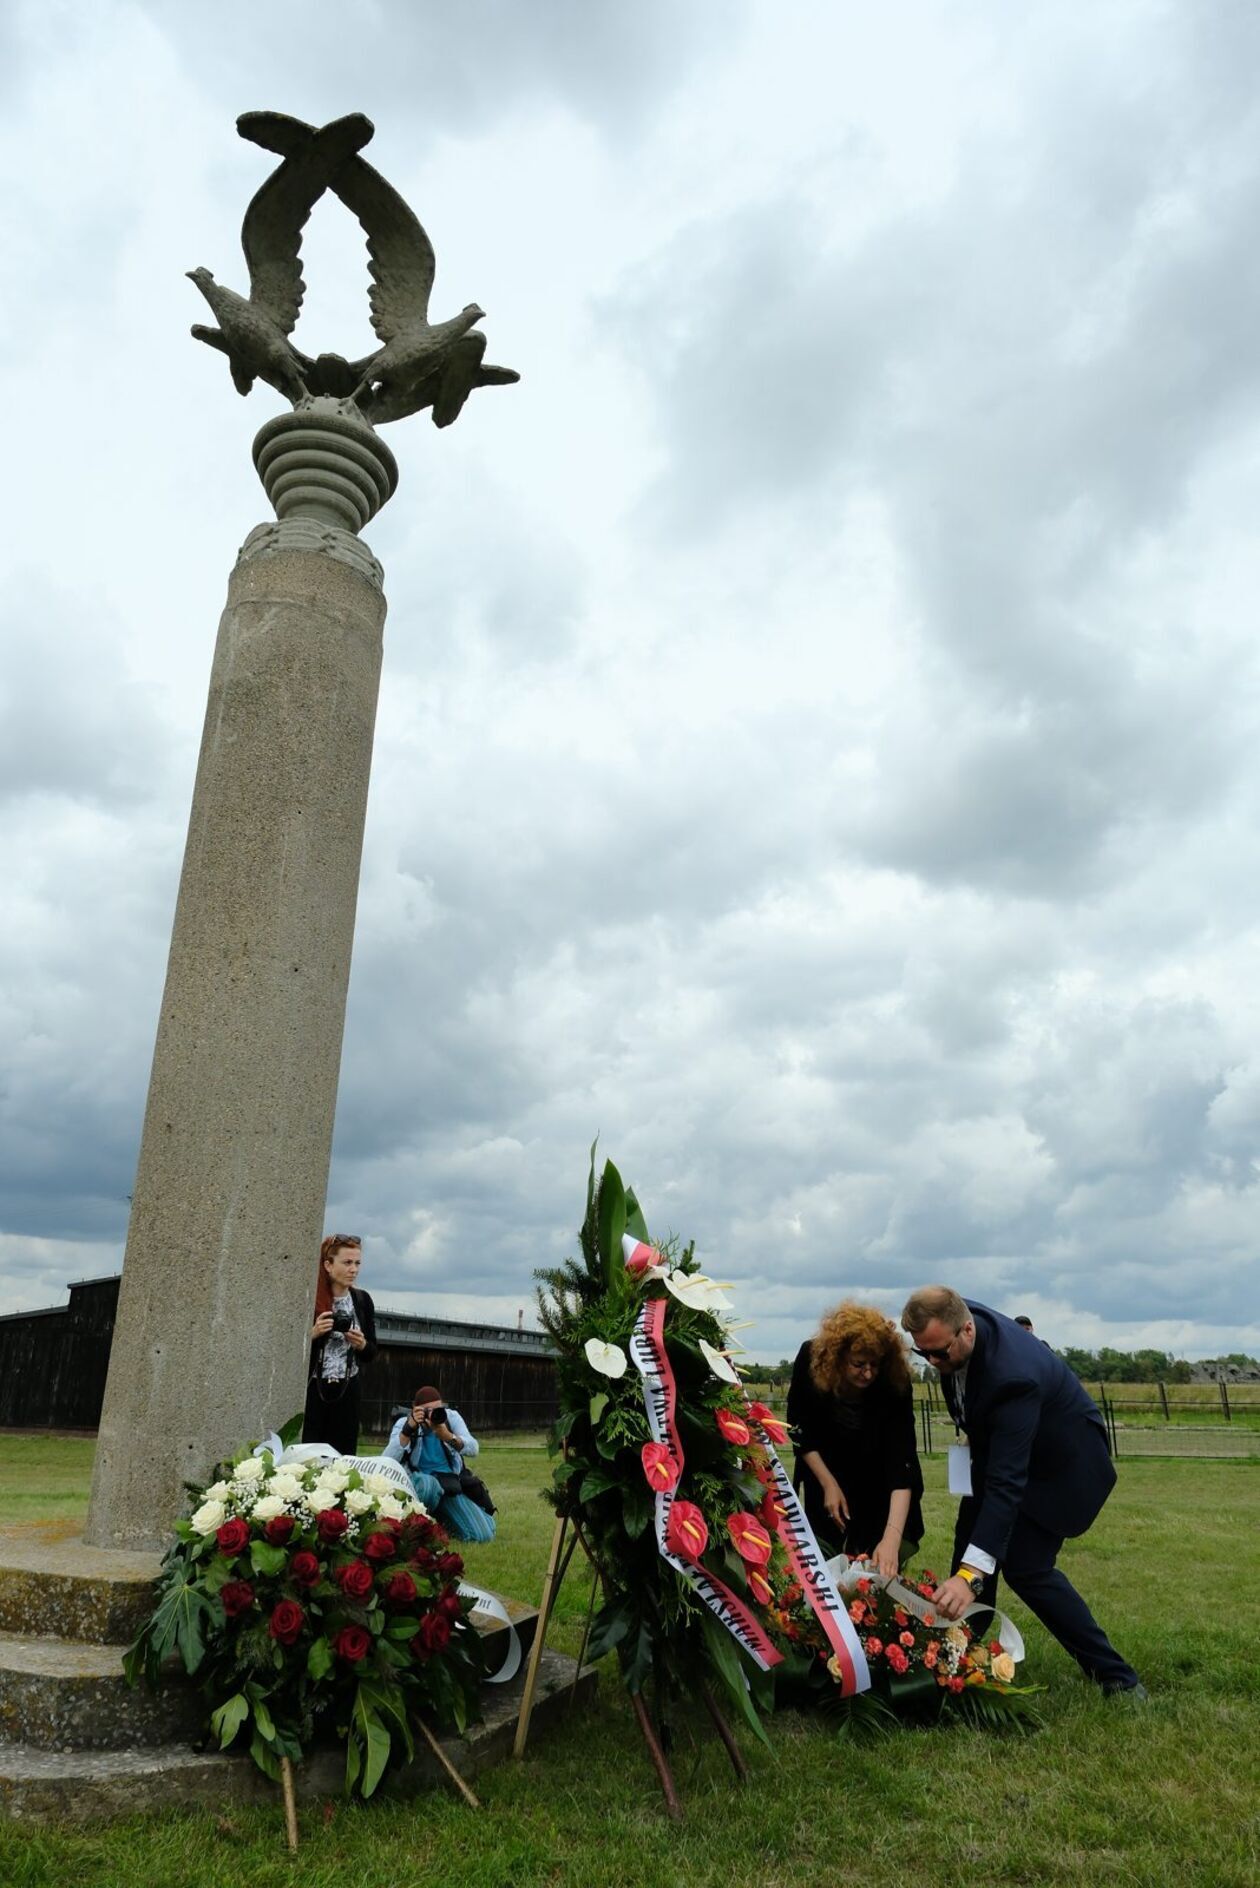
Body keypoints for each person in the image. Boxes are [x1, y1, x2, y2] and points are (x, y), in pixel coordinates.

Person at [900, 1286, 1145, 1698]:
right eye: (923, 1355)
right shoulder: (951, 1325)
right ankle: (959, 1658)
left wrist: (970, 1575)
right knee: (970, 1546)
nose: (933, 1363)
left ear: (967, 1331)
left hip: (1060, 1470)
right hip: (1001, 1455)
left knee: (1026, 1567)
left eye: (939, 1353)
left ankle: (1117, 1678)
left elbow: (1007, 1484)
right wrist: (969, 1571)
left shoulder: (1012, 1377)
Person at [786, 1301, 923, 1577]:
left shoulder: (893, 1379)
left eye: (875, 1364)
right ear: (837, 1357)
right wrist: (828, 1484)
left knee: (878, 1574)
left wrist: (891, 1539)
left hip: (879, 1485)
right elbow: (800, 1430)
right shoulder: (810, 1360)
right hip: (824, 1474)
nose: (868, 1373)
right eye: (858, 1364)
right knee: (825, 1572)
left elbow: (902, 1462)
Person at [383, 1384, 496, 1543]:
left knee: (482, 1536)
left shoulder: (450, 1417)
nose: (433, 1415)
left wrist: (448, 1436)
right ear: (416, 1410)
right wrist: (407, 1431)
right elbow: (387, 1459)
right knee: (430, 1486)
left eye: (437, 1409)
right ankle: (413, 1531)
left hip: (448, 1485)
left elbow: (474, 1448)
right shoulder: (405, 1422)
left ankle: (443, 1523)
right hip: (419, 1485)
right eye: (427, 1411)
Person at [302, 1233, 377, 1455]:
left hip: (347, 1390)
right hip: (313, 1390)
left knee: (343, 1460)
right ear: (328, 1264)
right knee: (307, 1456)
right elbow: (289, 1350)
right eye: (347, 1262)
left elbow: (372, 1352)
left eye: (357, 1263)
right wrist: (313, 1335)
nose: (353, 1269)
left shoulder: (362, 1301)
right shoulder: (309, 1299)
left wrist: (362, 1344)